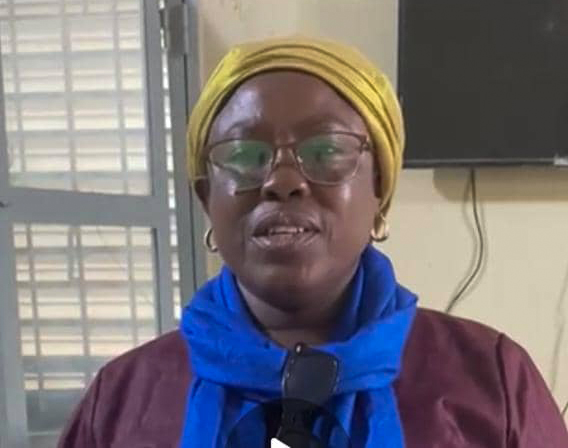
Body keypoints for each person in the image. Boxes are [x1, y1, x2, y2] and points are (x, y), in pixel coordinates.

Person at [58, 37, 568, 447]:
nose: (282, 181)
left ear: (379, 191)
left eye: (326, 151)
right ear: (205, 197)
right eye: (244, 155)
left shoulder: (491, 382)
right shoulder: (123, 401)